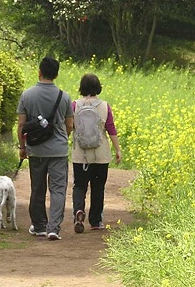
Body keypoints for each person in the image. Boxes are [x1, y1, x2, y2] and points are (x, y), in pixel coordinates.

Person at [17, 57, 73, 241]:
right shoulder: (64, 97)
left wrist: (22, 147)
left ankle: (39, 225)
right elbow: (70, 125)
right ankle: (53, 228)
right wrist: (62, 139)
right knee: (58, 189)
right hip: (59, 151)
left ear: (39, 72)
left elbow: (21, 125)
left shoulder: (27, 95)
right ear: (56, 74)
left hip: (36, 150)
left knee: (37, 187)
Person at [70, 73, 122, 233]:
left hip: (80, 154)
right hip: (101, 154)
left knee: (79, 186)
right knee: (98, 187)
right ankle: (95, 220)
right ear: (98, 87)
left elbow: (69, 126)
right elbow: (111, 128)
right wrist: (118, 149)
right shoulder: (105, 106)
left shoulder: (74, 105)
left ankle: (79, 210)